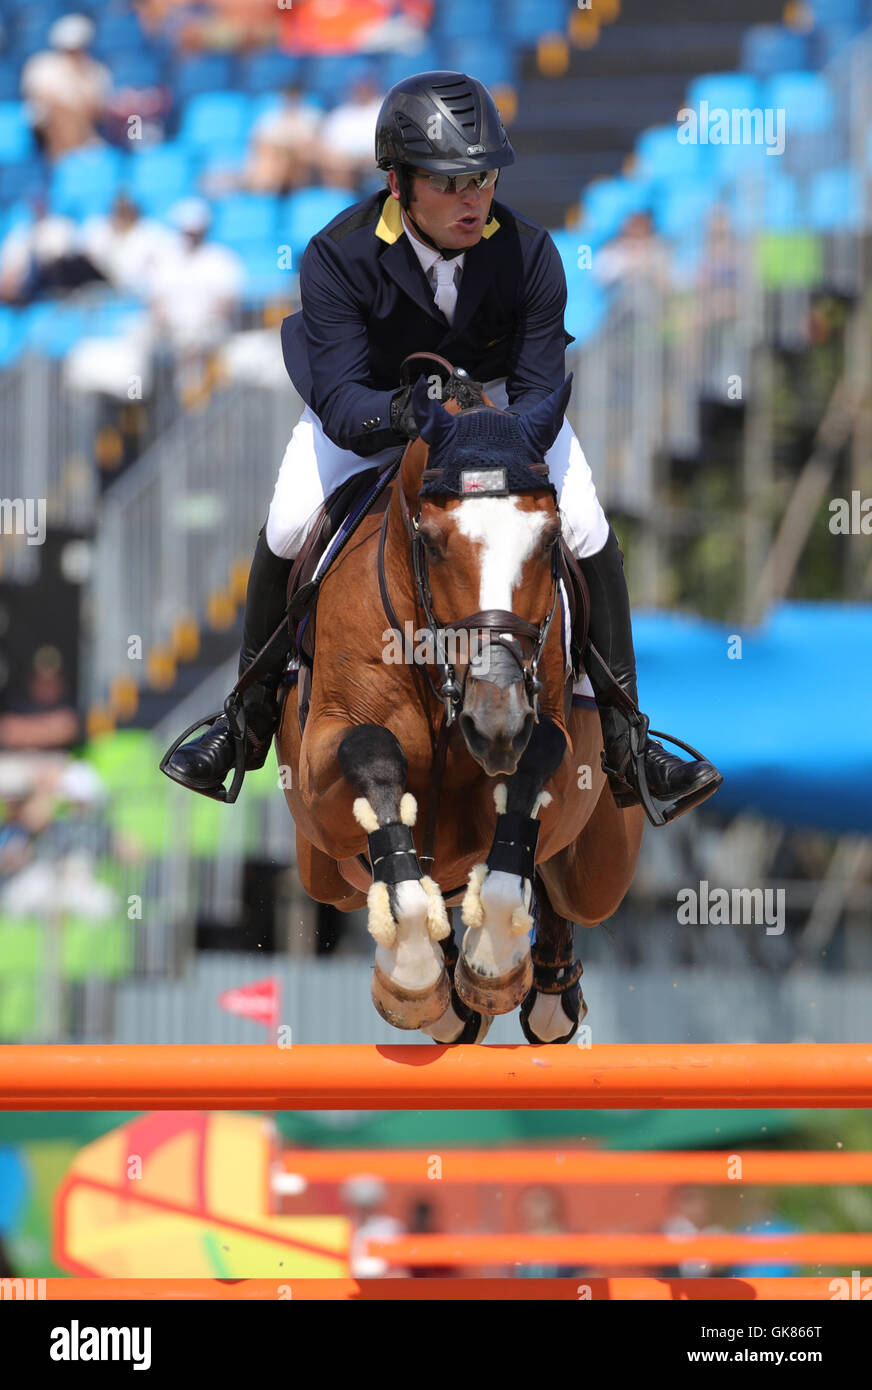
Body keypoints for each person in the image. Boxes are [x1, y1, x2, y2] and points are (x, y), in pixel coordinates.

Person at [163, 71, 722, 822]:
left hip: (501, 418)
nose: (475, 199)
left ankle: (627, 739)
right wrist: (414, 414)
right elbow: (338, 399)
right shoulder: (339, 256)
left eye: (483, 178)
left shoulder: (529, 254)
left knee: (586, 525)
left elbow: (538, 390)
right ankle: (246, 719)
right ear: (399, 183)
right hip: (374, 415)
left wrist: (485, 431)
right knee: (290, 522)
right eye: (452, 181)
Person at [20, 13, 112, 160]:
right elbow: (39, 97)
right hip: (44, 123)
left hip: (84, 125)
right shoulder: (42, 65)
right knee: (61, 116)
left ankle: (71, 162)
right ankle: (67, 162)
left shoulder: (95, 71)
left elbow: (96, 108)